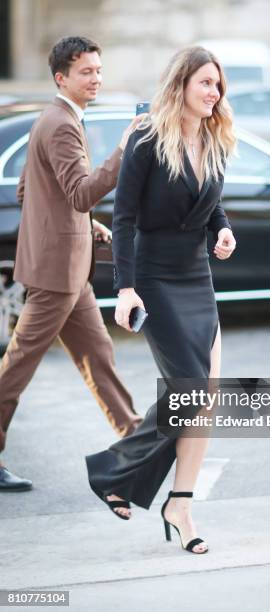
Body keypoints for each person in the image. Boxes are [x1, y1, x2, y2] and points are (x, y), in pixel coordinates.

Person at [86, 46, 236, 554]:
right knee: (190, 391)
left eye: (218, 85)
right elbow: (123, 217)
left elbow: (211, 203)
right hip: (154, 276)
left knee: (205, 399)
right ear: (181, 86)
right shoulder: (148, 138)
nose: (214, 93)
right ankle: (115, 469)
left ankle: (180, 504)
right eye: (206, 83)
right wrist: (124, 289)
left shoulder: (215, 138)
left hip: (198, 275)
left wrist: (223, 229)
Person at [0, 36, 144, 492]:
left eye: (99, 70)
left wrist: (85, 226)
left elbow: (31, 190)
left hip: (68, 266)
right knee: (17, 367)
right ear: (62, 77)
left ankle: (138, 440)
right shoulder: (62, 124)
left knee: (98, 355)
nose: (96, 78)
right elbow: (80, 191)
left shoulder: (54, 118)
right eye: (86, 72)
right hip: (56, 272)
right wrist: (124, 148)